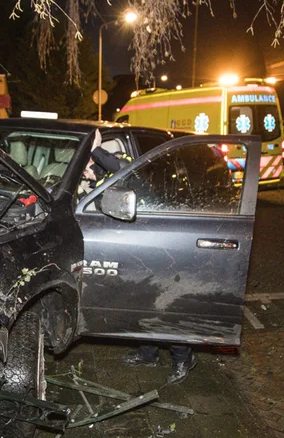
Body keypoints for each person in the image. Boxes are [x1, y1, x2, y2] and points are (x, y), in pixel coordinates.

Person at [82, 129, 198, 385]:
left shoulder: (122, 166)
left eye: (87, 166)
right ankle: (148, 353)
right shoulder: (102, 181)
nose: (85, 171)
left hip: (159, 244)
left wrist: (94, 149)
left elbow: (119, 166)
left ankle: (183, 358)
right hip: (137, 247)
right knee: (140, 302)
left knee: (164, 306)